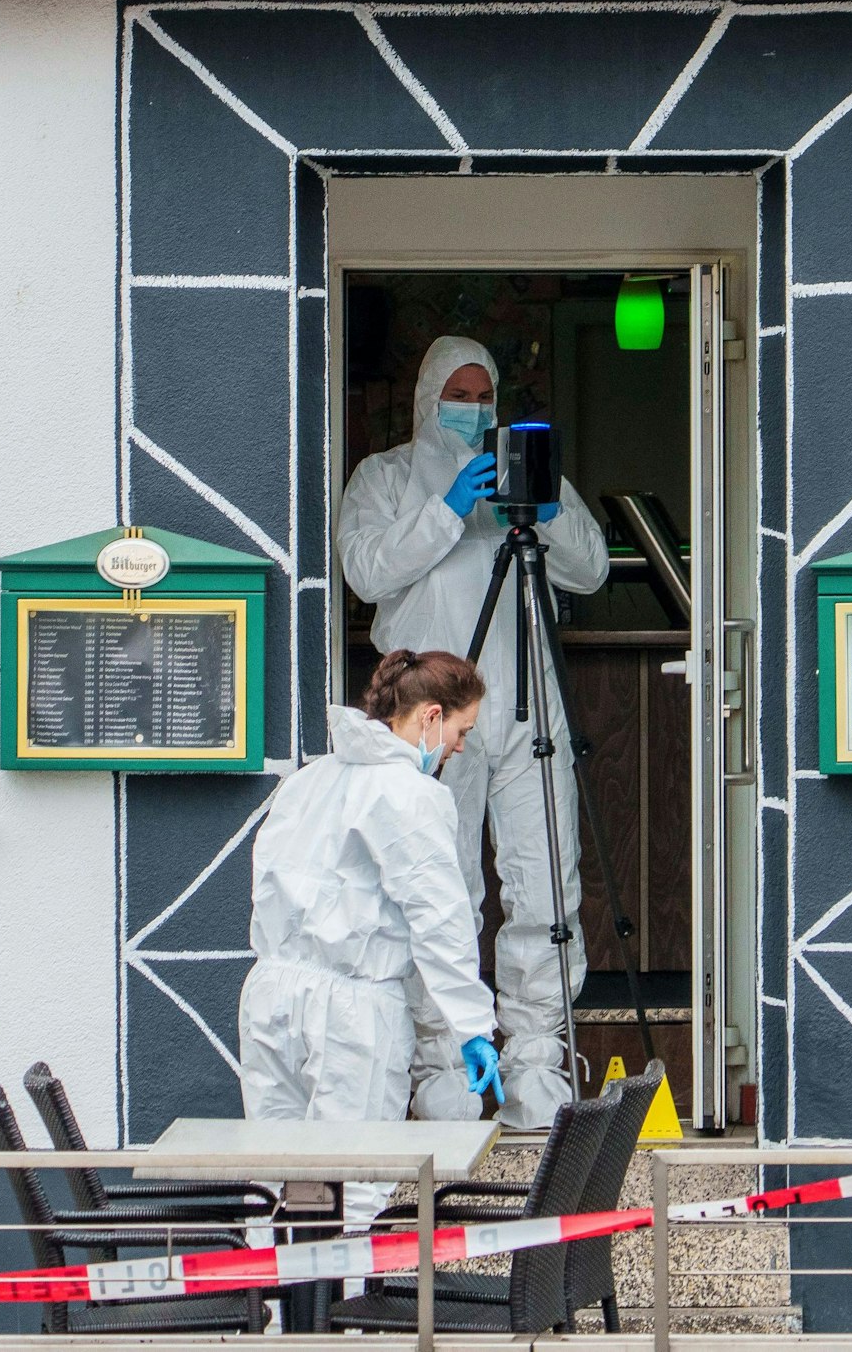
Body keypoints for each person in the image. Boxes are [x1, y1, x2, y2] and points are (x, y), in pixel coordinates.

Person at [337, 334, 611, 1129]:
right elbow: (365, 570)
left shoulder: (527, 474)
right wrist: (448, 508)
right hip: (430, 712)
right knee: (439, 886)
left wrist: (547, 509)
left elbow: (590, 571)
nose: (473, 408)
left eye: (484, 394)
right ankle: (444, 1070)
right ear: (427, 397)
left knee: (545, 885)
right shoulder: (384, 477)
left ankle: (539, 1067)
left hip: (527, 707)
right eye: (458, 393)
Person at [237, 648, 503, 1221]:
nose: (459, 747)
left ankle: (276, 1313)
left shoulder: (311, 780)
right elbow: (440, 919)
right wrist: (473, 1024)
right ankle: (335, 1312)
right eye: (461, 730)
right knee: (353, 1187)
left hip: (269, 994)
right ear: (431, 716)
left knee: (272, 1182)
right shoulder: (412, 795)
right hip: (351, 1010)